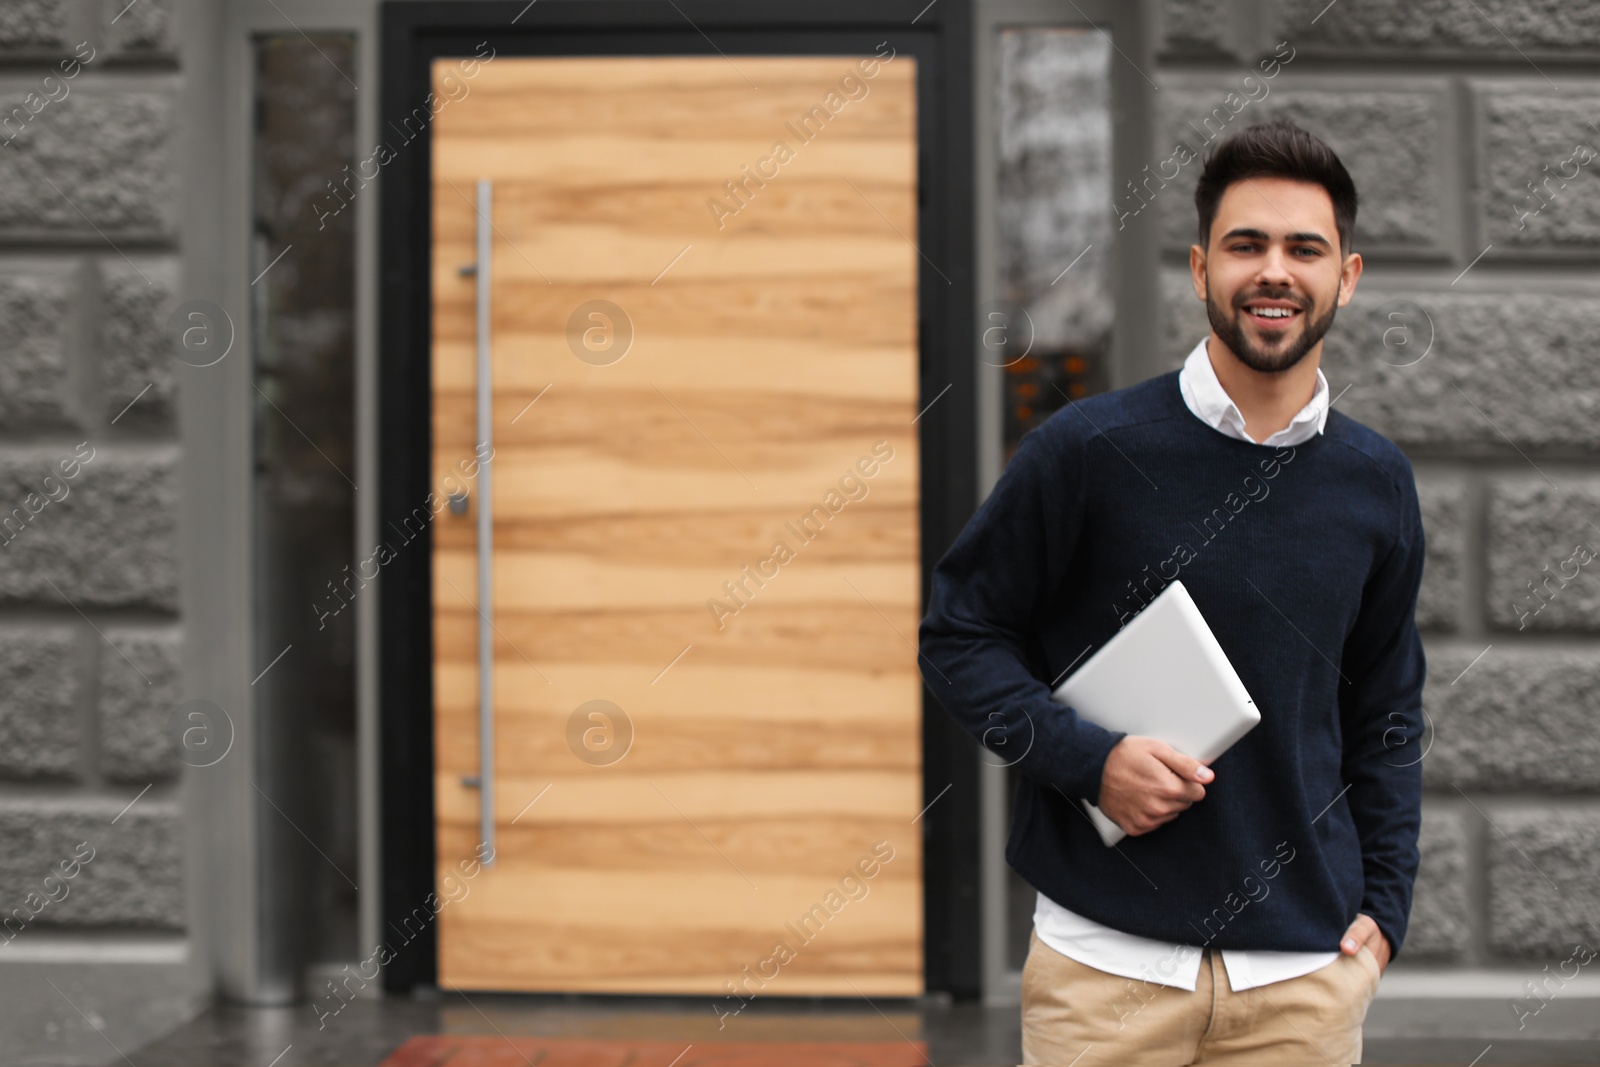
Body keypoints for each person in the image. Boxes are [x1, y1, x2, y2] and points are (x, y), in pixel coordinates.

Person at [919, 118, 1425, 1065]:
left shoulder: (1377, 482)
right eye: (1246, 245)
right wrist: (1088, 759)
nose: (1273, 270)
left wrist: (1386, 905)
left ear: (1345, 278)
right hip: (1103, 975)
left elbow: (1389, 707)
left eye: (1304, 248)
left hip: (1302, 986)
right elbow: (959, 633)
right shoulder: (1086, 451)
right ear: (1200, 270)